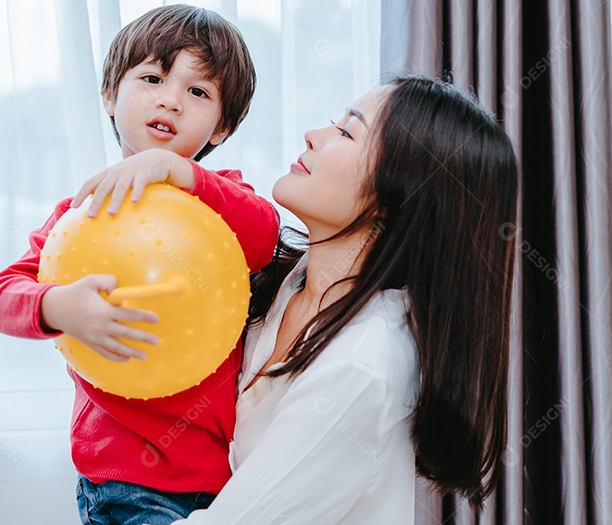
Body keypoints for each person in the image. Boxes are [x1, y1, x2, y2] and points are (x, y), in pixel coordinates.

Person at [0, 4, 281, 525]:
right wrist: (58, 305)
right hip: (125, 479)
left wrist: (177, 171)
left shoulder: (222, 198)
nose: (170, 98)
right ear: (109, 95)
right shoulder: (83, 214)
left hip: (225, 478)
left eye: (198, 92)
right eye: (152, 77)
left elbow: (265, 235)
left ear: (222, 128)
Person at [174, 76, 519, 524]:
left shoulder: (361, 366)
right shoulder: (283, 282)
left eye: (346, 132)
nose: (313, 136)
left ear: (396, 194)